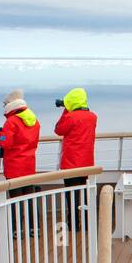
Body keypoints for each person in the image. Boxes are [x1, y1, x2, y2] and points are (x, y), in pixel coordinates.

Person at [55, 87, 98, 229]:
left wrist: (66, 109)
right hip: (87, 163)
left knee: (72, 196)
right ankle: (87, 223)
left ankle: (74, 224)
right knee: (86, 195)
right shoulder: (92, 117)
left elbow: (58, 130)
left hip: (71, 163)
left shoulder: (70, 117)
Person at [0, 89, 41, 196]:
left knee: (15, 199)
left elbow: (6, 142)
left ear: (10, 104)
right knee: (28, 198)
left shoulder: (11, 121)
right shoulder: (34, 120)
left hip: (14, 168)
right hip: (29, 165)